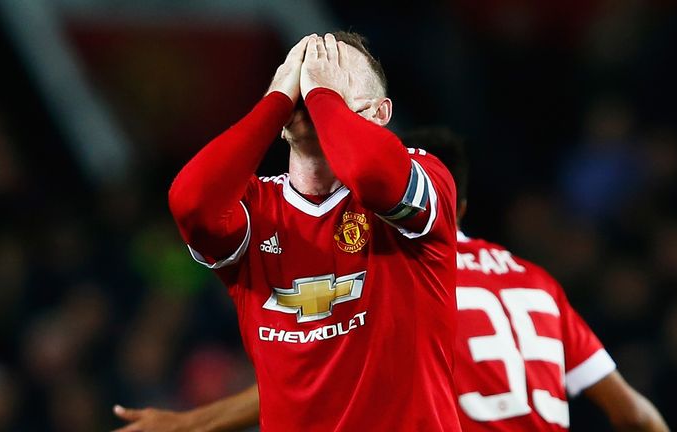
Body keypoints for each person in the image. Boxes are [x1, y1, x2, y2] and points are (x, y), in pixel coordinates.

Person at [114, 128, 669, 432]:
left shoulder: (407, 280)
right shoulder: (537, 284)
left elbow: (324, 387)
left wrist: (193, 424)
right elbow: (633, 414)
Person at [139, 32, 461, 432]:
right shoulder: (256, 209)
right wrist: (275, 103)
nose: (313, 83)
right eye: (303, 75)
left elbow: (369, 173)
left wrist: (323, 99)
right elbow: (192, 204)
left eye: (333, 71)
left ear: (380, 113)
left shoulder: (425, 175)